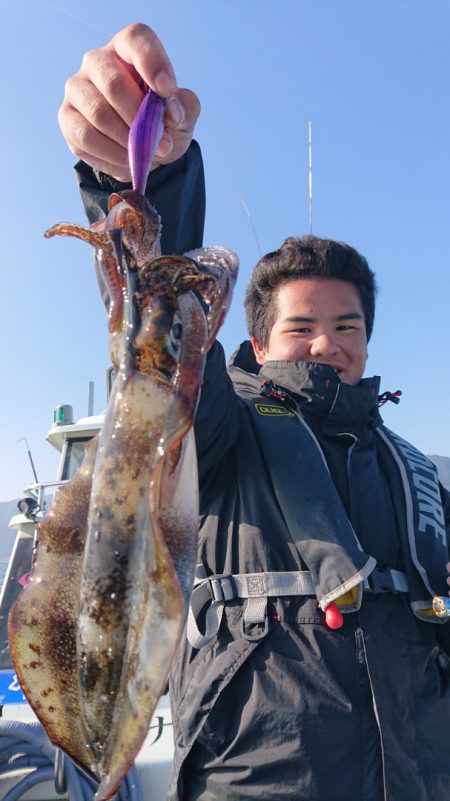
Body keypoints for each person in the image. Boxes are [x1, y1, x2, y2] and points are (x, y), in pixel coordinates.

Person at [59, 23, 450, 801]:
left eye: (347, 326)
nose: (326, 344)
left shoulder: (414, 467)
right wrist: (143, 181)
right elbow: (162, 358)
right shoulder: (227, 427)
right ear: (258, 341)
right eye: (300, 326)